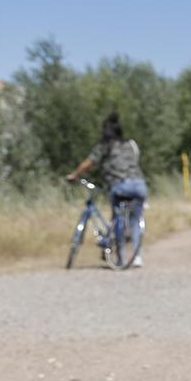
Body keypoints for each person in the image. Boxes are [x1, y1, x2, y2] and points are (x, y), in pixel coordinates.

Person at [66, 113, 148, 267]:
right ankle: (137, 257)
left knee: (117, 218)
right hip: (139, 185)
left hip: (120, 185)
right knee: (135, 219)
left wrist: (75, 174)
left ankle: (121, 258)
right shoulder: (131, 144)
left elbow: (89, 162)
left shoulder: (105, 145)